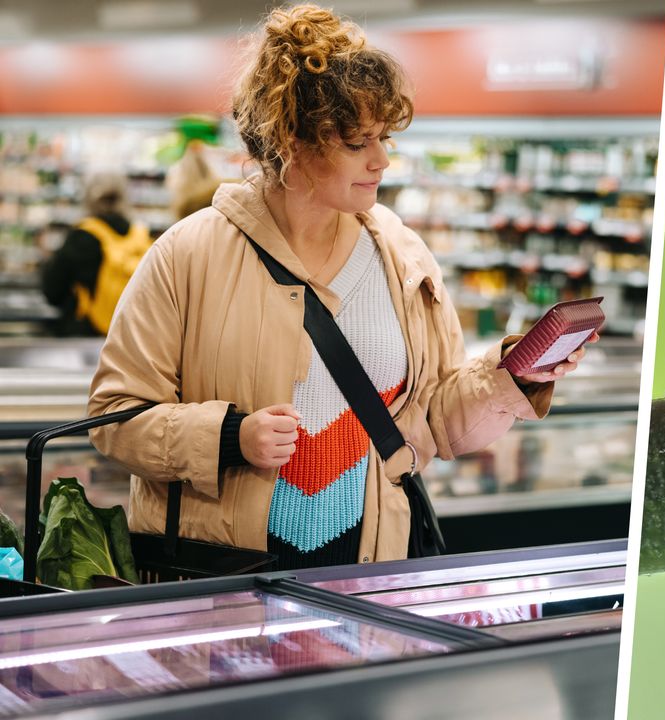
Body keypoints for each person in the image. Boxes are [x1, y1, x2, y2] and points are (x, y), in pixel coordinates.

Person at [87, 4, 595, 570]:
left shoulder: (402, 258)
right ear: (291, 142)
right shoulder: (188, 256)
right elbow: (115, 417)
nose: (381, 160)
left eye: (383, 139)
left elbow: (430, 421)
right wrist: (230, 437)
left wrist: (511, 377)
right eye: (357, 143)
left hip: (367, 565)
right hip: (221, 575)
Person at [40, 173, 152, 337]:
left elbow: (52, 291)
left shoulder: (82, 236)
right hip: (128, 337)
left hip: (85, 336)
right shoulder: (140, 235)